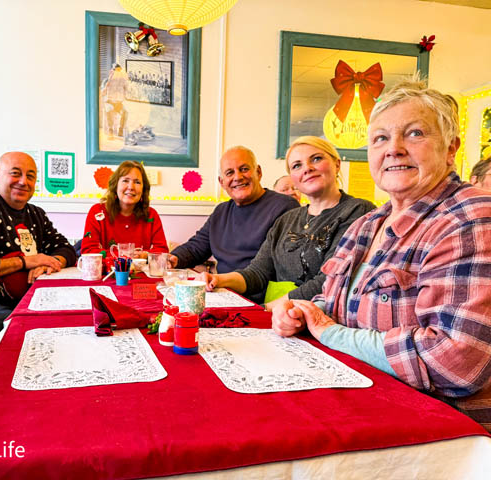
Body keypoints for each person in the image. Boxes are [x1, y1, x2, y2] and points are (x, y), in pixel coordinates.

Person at [274, 79, 491, 431]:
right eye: (380, 138)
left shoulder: (470, 219)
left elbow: (455, 362)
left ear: (451, 149)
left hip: (442, 432)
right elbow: (333, 302)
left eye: (415, 133)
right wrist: (300, 312)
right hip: (359, 402)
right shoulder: (368, 223)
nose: (394, 149)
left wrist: (328, 332)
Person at [199, 137, 374, 306]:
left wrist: (267, 309)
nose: (307, 169)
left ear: (337, 164)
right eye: (297, 165)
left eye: (316, 159)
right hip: (280, 318)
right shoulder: (286, 220)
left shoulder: (359, 211)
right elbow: (258, 272)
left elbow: (330, 280)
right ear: (293, 177)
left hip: (322, 321)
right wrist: (219, 279)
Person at [0, 152, 76, 333]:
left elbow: (66, 248)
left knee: (71, 321)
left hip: (31, 298)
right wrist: (26, 261)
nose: (23, 181)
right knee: (34, 331)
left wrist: (51, 263)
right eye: (15, 173)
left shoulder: (36, 213)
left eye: (30, 176)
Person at [169, 146, 300, 303]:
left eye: (244, 169)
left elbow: (270, 268)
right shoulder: (221, 211)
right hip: (221, 294)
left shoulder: (285, 207)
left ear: (258, 172)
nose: (238, 177)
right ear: (222, 182)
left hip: (262, 302)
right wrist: (172, 258)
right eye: (230, 173)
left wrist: (220, 280)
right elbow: (196, 247)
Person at [81, 160, 168, 257]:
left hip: (140, 271)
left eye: (137, 182)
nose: (131, 187)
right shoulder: (97, 212)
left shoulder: (151, 214)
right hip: (108, 272)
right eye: (125, 180)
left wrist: (144, 255)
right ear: (115, 185)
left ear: (143, 189)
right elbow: (88, 251)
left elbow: (163, 251)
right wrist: (125, 255)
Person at [103, 63, 129, 138]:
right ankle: (110, 130)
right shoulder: (107, 80)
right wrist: (108, 82)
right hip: (109, 102)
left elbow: (126, 91)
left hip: (118, 103)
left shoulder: (122, 81)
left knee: (125, 112)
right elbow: (103, 92)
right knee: (109, 111)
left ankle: (120, 129)